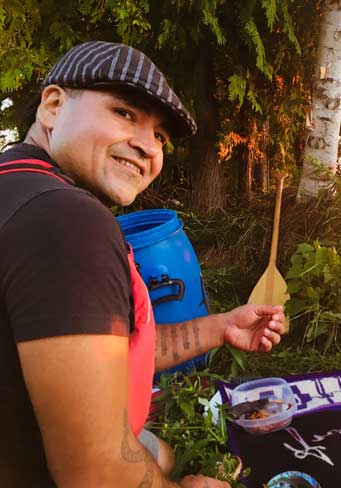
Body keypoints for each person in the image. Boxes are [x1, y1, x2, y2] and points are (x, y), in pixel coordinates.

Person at [0, 41, 286, 487]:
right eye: (125, 113)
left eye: (160, 136)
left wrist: (221, 326)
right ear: (53, 106)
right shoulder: (65, 220)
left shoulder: (18, 187)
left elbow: (99, 351)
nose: (147, 147)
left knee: (159, 451)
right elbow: (95, 475)